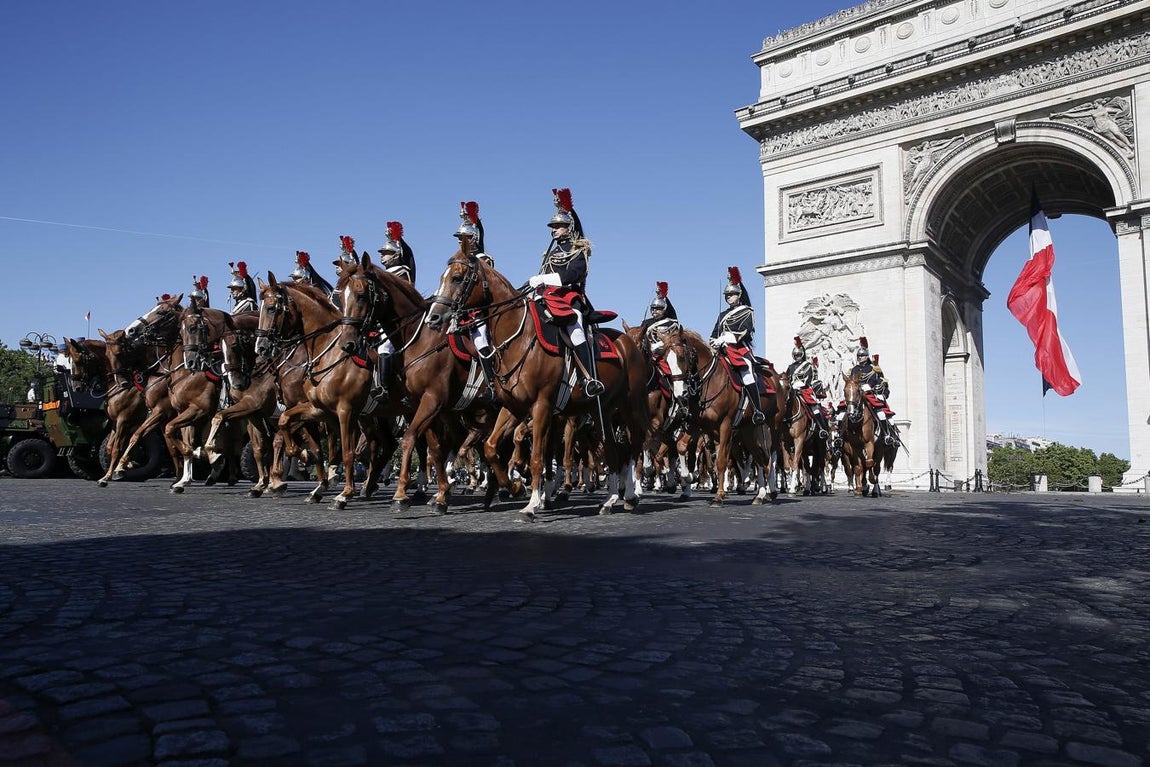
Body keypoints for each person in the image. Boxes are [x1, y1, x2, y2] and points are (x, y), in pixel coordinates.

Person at [527, 188, 603, 397]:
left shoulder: (579, 250)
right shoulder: (550, 253)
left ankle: (589, 378)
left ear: (569, 228)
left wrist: (545, 279)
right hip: (546, 298)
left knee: (575, 327)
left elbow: (574, 275)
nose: (554, 230)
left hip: (569, 298)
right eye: (553, 226)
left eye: (558, 226)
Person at [451, 202, 499, 398]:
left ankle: (491, 384)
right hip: (460, 310)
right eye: (458, 238)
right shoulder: (458, 262)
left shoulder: (484, 260)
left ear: (474, 238)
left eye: (463, 238)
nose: (459, 241)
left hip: (479, 312)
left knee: (480, 340)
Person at [708, 266, 765, 425]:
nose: (728, 297)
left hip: (739, 349)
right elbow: (714, 333)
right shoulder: (722, 315)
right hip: (722, 349)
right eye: (727, 295)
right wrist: (714, 341)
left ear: (739, 295)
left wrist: (726, 337)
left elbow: (746, 331)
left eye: (731, 294)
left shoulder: (747, 311)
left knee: (747, 372)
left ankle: (758, 410)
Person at [369, 222, 417, 400]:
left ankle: (384, 388)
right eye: (382, 252)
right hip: (381, 320)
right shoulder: (381, 274)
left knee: (385, 347)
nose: (382, 255)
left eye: (386, 252)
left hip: (398, 320)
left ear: (396, 254)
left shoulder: (402, 272)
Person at [847, 336, 899, 445]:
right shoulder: (854, 369)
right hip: (856, 395)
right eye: (858, 356)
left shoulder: (873, 368)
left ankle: (887, 435)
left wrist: (872, 387)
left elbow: (881, 382)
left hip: (869, 395)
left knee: (881, 413)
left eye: (862, 356)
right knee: (842, 413)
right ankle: (839, 437)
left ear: (867, 357)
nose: (860, 358)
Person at [784, 336, 831, 439]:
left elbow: (812, 379)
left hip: (805, 390)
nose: (797, 356)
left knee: (815, 408)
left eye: (798, 355)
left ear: (802, 354)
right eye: (795, 355)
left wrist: (802, 384)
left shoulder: (809, 366)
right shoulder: (790, 367)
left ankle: (822, 428)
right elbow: (788, 379)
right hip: (793, 391)